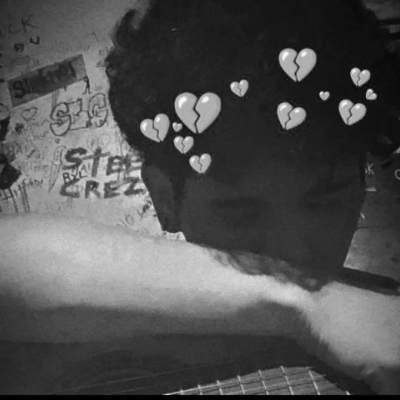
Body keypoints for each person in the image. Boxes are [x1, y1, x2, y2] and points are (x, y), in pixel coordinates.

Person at [1, 0, 400, 394]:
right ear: (164, 199)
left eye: (326, 202)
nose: (294, 251)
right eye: (241, 214)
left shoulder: (386, 322)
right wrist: (304, 303)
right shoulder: (109, 315)